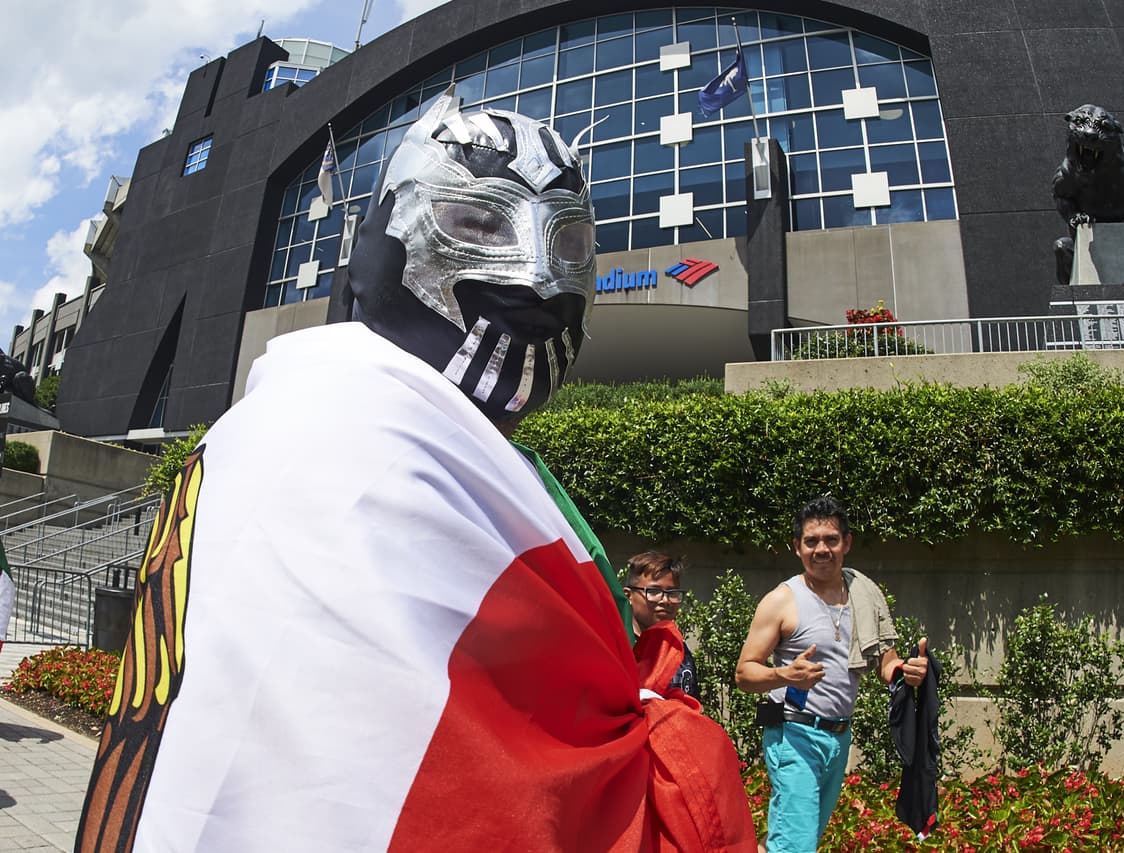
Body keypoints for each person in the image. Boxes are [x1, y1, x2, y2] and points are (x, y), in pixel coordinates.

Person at [77, 88, 755, 852]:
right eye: (479, 221)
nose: (537, 274)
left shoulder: (270, 429)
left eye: (567, 242)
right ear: (382, 238)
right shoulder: (353, 447)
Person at [735, 495, 929, 853]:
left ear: (846, 543)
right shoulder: (781, 600)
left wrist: (907, 672)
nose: (821, 549)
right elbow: (745, 673)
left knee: (792, 837)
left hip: (838, 737)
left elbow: (886, 663)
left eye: (830, 540)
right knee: (797, 844)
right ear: (797, 547)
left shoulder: (863, 594)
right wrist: (786, 676)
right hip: (792, 734)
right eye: (811, 542)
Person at [624, 551, 698, 700]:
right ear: (628, 596)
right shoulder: (618, 648)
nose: (665, 600)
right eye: (654, 591)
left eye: (672, 593)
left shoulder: (679, 649)